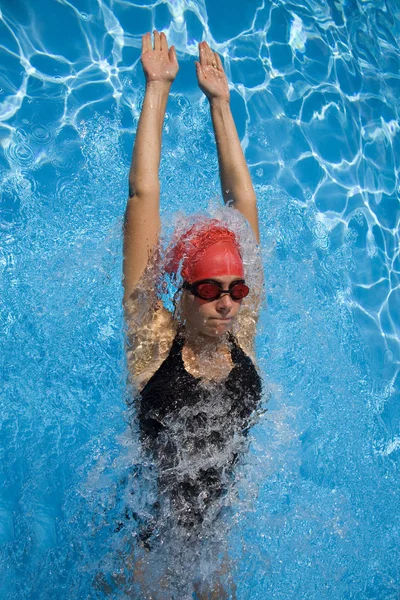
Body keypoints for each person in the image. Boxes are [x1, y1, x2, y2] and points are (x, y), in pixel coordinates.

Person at [123, 31, 263, 600]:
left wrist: (220, 103)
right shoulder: (153, 339)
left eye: (236, 287)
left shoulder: (242, 332)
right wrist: (156, 88)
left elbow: (243, 203)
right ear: (180, 292)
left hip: (213, 550)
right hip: (147, 546)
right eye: (208, 288)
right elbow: (142, 197)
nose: (226, 302)